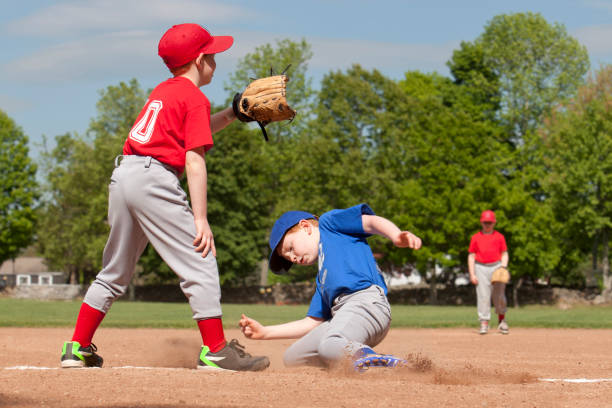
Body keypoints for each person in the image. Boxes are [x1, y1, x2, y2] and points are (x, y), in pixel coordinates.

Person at [60, 23, 269, 371]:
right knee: (200, 259)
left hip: (125, 174)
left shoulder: (164, 91)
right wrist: (201, 219)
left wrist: (232, 114)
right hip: (154, 180)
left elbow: (186, 131)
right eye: (213, 56)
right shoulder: (195, 98)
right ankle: (216, 350)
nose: (216, 61)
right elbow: (194, 157)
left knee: (114, 270)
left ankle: (77, 347)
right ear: (200, 60)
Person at [239, 204, 422, 371]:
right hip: (343, 317)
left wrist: (395, 235)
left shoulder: (329, 224)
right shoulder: (323, 279)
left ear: (306, 227)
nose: (292, 258)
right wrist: (265, 332)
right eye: (288, 258)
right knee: (294, 358)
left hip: (367, 303)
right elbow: (311, 322)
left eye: (290, 248)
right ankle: (358, 359)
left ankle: (376, 364)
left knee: (329, 344)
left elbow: (370, 222)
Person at [467, 210, 509, 335]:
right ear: (481, 223)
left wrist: (503, 267)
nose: (487, 225)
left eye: (490, 223)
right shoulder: (476, 237)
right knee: (483, 295)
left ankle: (502, 321)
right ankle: (484, 322)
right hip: (480, 267)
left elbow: (504, 253)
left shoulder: (499, 237)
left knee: (499, 295)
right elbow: (471, 256)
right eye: (485, 222)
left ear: (494, 223)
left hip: (497, 266)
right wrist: (472, 274)